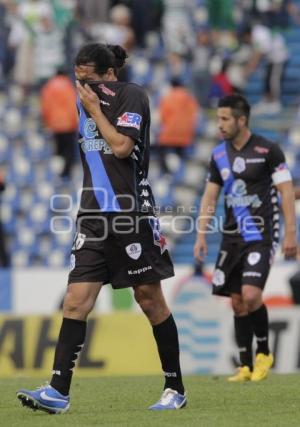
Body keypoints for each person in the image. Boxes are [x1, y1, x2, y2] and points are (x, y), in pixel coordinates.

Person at [16, 43, 186, 413]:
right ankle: (58, 392)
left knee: (149, 299)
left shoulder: (132, 95)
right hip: (92, 215)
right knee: (76, 301)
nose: (82, 86)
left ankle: (175, 388)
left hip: (131, 214)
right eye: (78, 79)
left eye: (89, 78)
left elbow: (122, 147)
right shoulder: (82, 97)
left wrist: (93, 107)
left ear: (110, 74)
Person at [194, 94, 297, 382]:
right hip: (231, 237)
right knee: (237, 301)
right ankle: (245, 365)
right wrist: (201, 234)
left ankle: (264, 353)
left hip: (261, 235)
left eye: (225, 119)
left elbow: (287, 191)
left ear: (242, 120)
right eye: (218, 119)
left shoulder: (268, 150)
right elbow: (210, 196)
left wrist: (291, 233)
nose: (220, 124)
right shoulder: (218, 155)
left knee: (252, 295)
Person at [40, 68, 78, 179]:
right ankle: (66, 174)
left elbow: (45, 107)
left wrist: (47, 122)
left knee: (58, 151)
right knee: (69, 151)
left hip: (54, 125)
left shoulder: (49, 86)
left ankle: (57, 175)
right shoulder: (68, 86)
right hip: (68, 125)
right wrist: (75, 122)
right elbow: (73, 106)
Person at [157, 77, 199, 174]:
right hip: (186, 137)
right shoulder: (190, 98)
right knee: (181, 159)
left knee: (161, 153)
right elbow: (195, 116)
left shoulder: (167, 97)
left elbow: (163, 118)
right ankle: (179, 174)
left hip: (169, 135)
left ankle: (166, 174)